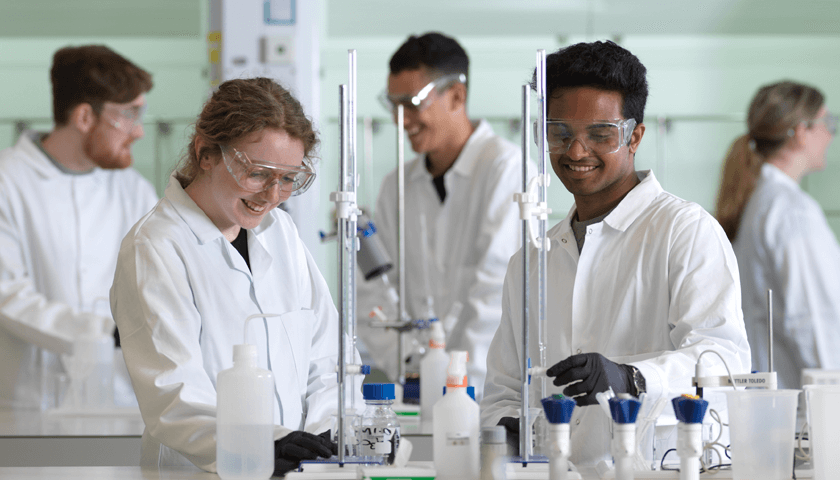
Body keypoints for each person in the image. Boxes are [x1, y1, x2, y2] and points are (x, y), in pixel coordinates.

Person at [480, 40, 751, 466]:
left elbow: (725, 363)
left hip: (660, 470)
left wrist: (633, 378)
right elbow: (502, 391)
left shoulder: (684, 231)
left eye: (600, 135)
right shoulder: (532, 260)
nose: (576, 151)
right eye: (560, 134)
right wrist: (511, 425)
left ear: (634, 136)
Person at [110, 77, 364, 475]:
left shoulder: (281, 234)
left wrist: (320, 439)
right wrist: (265, 443)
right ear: (207, 153)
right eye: (258, 172)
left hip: (296, 469)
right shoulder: (156, 246)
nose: (271, 195)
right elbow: (173, 394)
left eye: (287, 178)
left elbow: (328, 356)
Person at [357, 32, 528, 398]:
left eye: (412, 103)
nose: (401, 120)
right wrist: (411, 367)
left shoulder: (505, 168)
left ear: (456, 96)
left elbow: (494, 287)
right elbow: (373, 290)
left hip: (485, 388)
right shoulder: (396, 186)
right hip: (415, 386)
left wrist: (457, 378)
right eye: (393, 104)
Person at [0, 45, 157, 409]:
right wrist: (103, 333)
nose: (139, 132)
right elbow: (6, 293)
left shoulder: (133, 190)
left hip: (120, 398)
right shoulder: (7, 180)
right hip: (29, 401)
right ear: (85, 116)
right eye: (130, 115)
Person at [715, 81, 840, 390]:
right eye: (827, 122)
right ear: (800, 131)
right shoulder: (791, 211)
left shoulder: (762, 200)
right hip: (805, 406)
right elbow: (813, 320)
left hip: (778, 402)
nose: (831, 134)